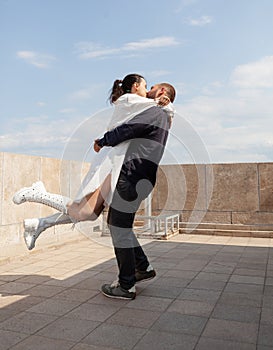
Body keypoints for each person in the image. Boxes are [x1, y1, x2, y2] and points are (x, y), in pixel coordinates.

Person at [13, 74, 175, 252]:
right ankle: (37, 195)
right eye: (146, 86)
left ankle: (40, 222)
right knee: (85, 211)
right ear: (135, 86)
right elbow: (147, 118)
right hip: (114, 160)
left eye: (151, 87)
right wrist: (164, 103)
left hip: (119, 160)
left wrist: (164, 103)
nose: (148, 90)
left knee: (89, 213)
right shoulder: (131, 99)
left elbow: (160, 114)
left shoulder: (143, 105)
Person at [95, 82, 176, 300]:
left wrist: (102, 141)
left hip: (132, 177)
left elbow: (127, 130)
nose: (147, 90)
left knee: (118, 227)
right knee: (119, 225)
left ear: (160, 92)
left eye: (152, 87)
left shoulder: (154, 112)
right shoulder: (162, 113)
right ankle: (143, 267)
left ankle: (126, 286)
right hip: (141, 178)